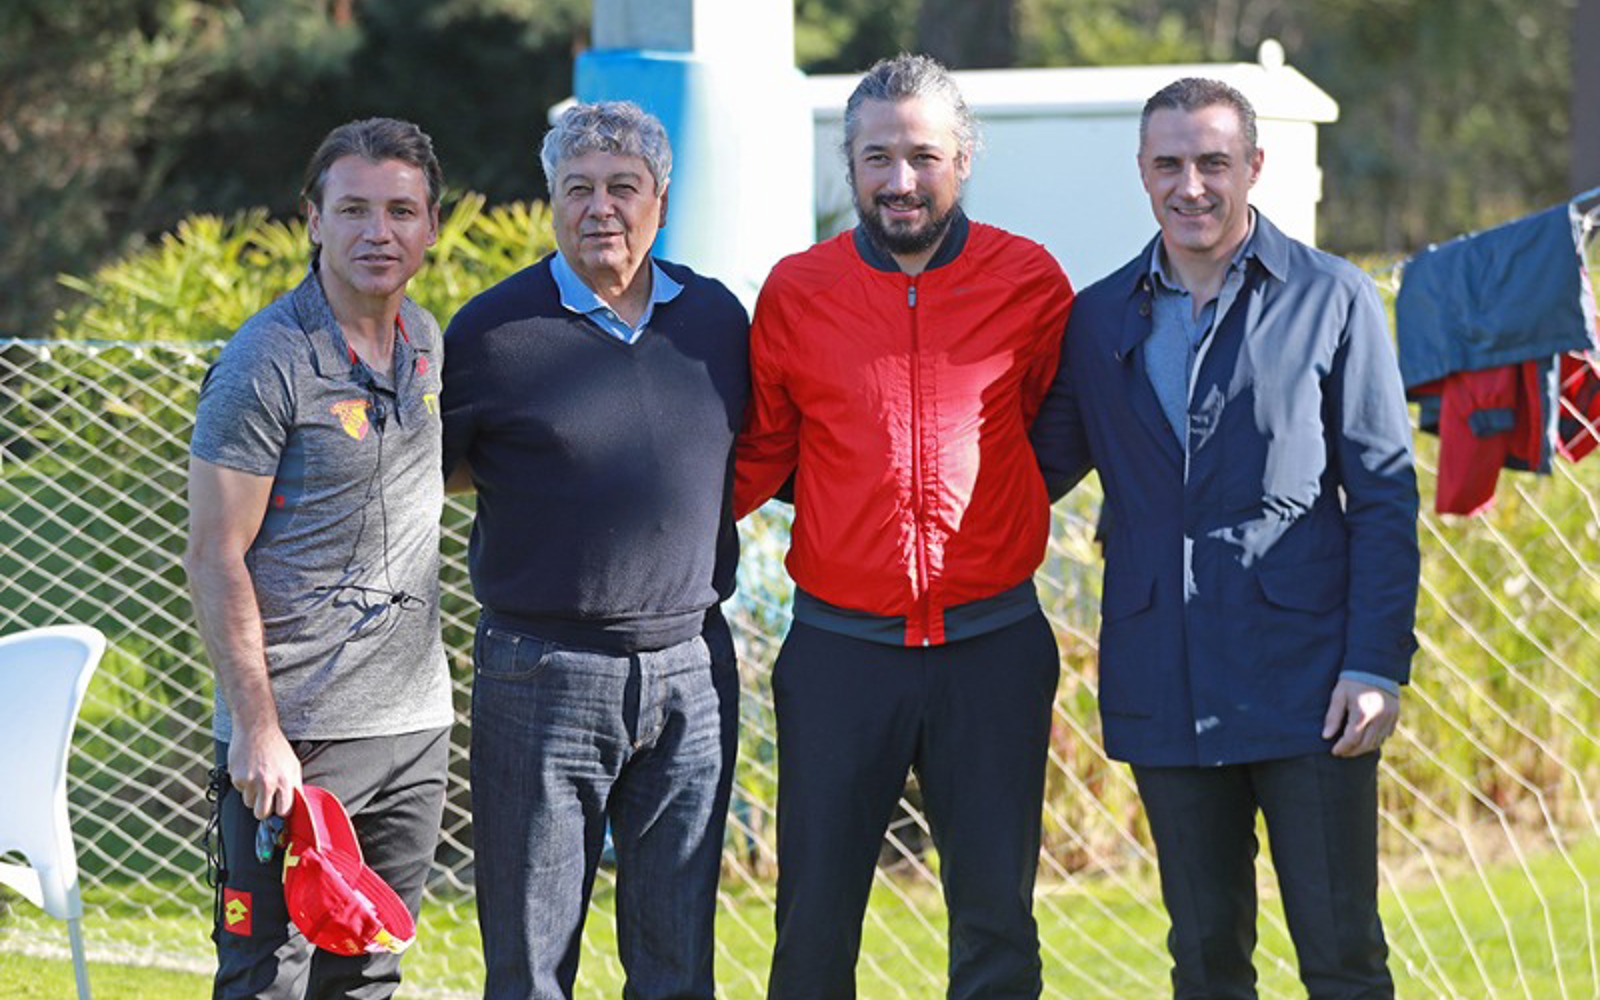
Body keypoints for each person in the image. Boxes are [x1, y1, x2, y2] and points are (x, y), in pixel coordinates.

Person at [1030, 78, 1420, 998]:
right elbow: (1030, 472)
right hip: (1164, 680)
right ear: (1142, 171)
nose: (1191, 186)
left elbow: (1383, 497)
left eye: (1213, 162)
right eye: (1169, 164)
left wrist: (1375, 664)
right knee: (1204, 962)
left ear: (1254, 166)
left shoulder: (1332, 296)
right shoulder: (1097, 317)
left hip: (1311, 685)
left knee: (1343, 958)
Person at [736, 53, 1075, 999]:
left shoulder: (1030, 280)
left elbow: (1050, 429)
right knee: (813, 925)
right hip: (840, 653)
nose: (900, 180)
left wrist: (1001, 506)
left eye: (923, 156)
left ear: (963, 158)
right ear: (848, 164)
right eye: (877, 157)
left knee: (997, 924)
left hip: (994, 647)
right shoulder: (797, 290)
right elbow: (766, 451)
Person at [438, 100, 748, 1000]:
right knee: (531, 967)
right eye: (578, 189)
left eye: (623, 187)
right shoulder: (491, 331)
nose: (600, 208)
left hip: (692, 668)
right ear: (552, 202)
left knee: (677, 968)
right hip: (542, 672)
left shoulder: (715, 320)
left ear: (661, 199)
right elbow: (439, 473)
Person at [185, 117, 453, 999]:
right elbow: (215, 554)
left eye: (401, 211)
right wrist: (257, 729)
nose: (380, 232)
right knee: (267, 978)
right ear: (312, 219)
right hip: (297, 740)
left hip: (412, 730)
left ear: (431, 226)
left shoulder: (425, 341)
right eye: (354, 210)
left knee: (369, 970)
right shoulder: (265, 361)